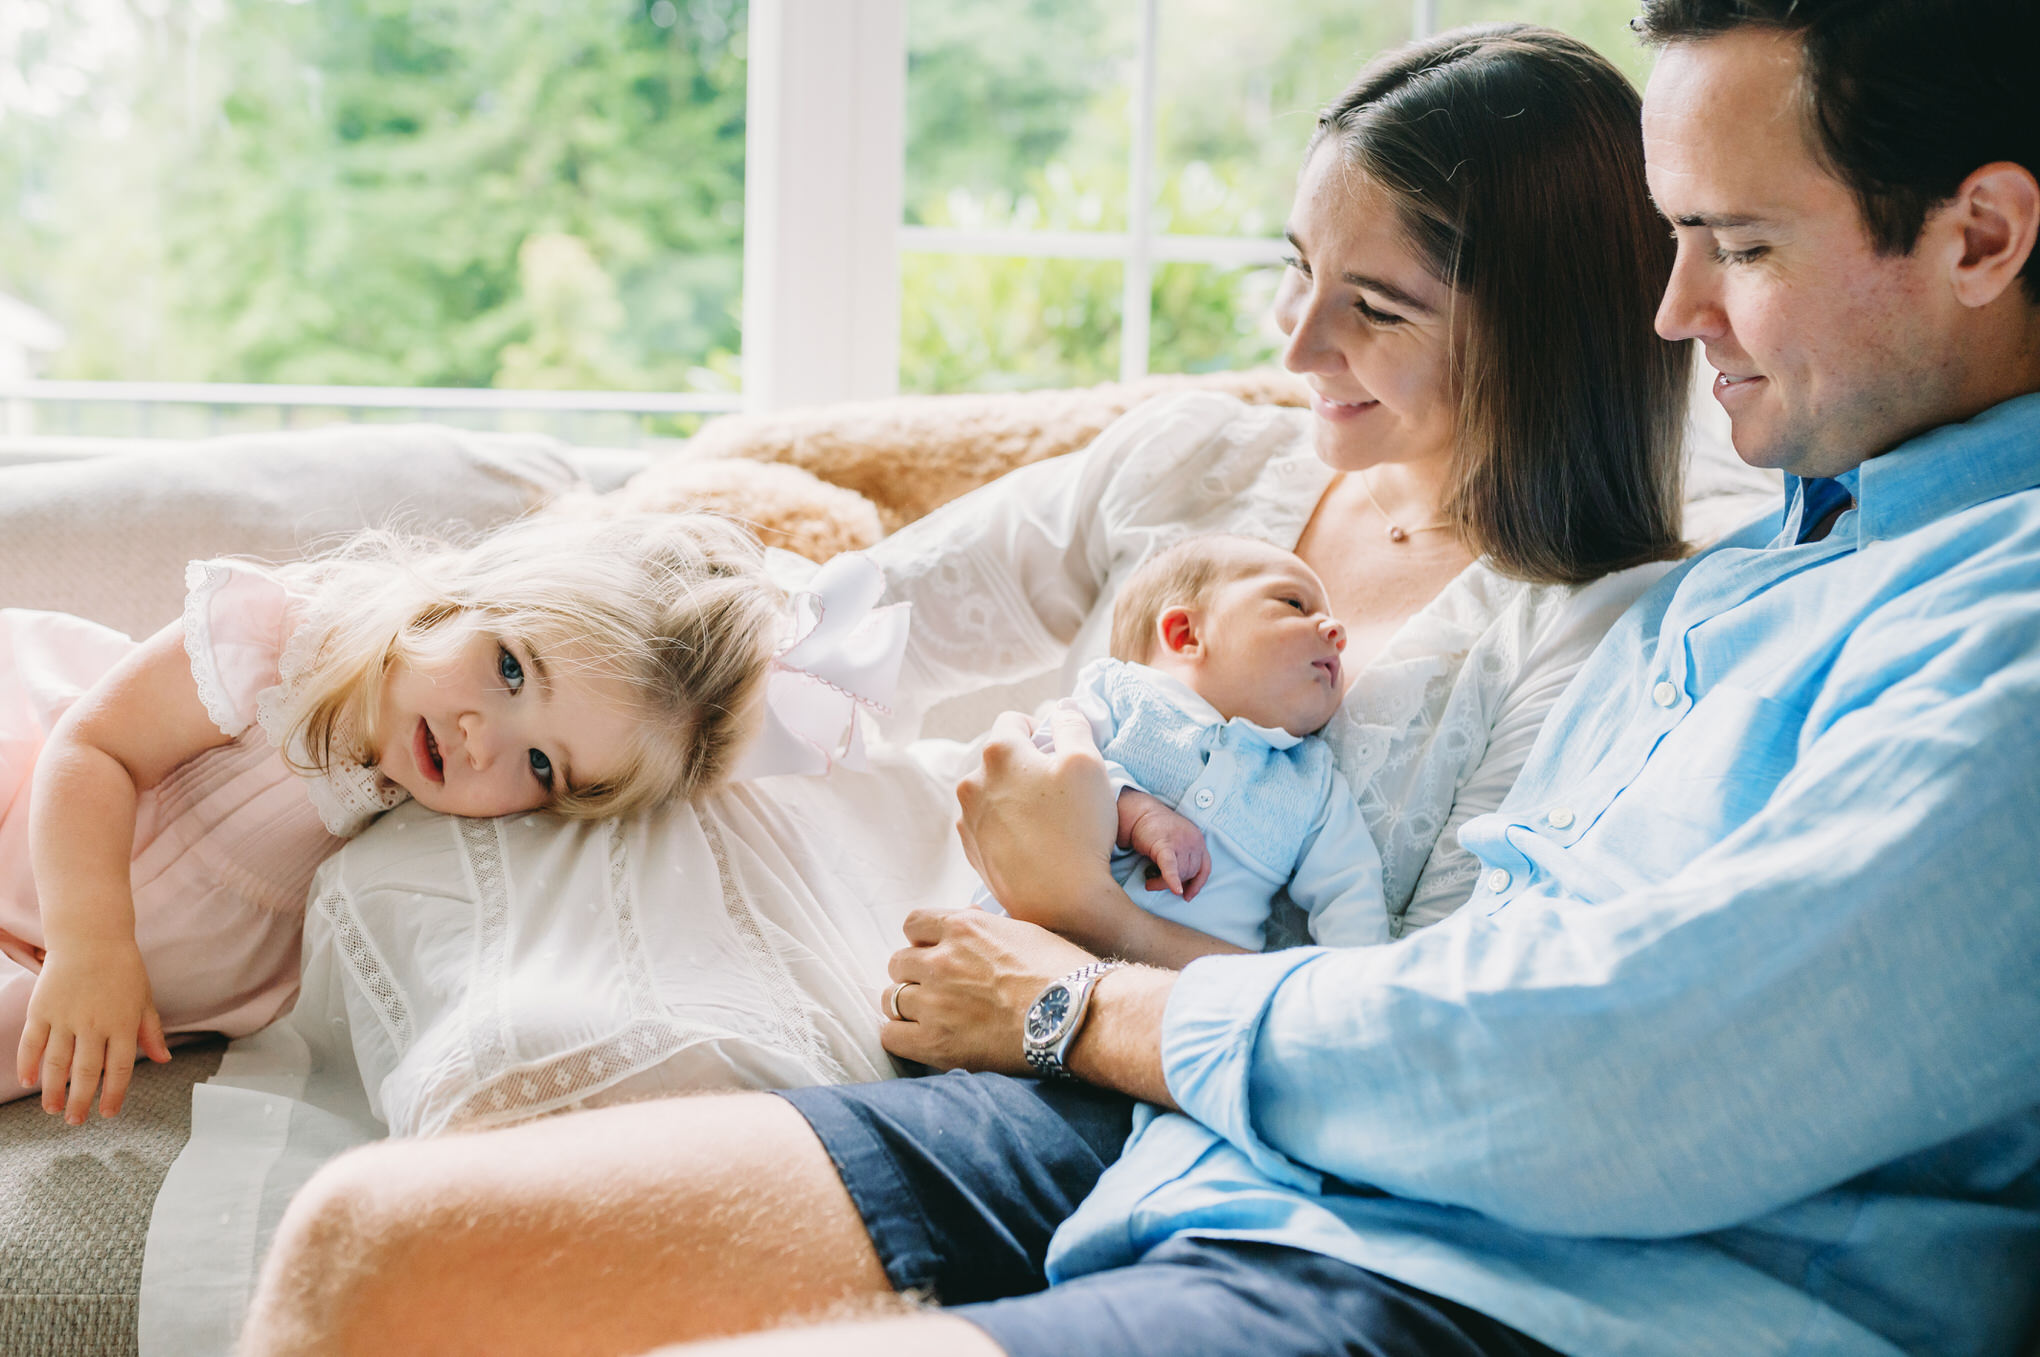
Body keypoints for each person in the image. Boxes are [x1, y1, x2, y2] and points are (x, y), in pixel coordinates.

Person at [232, 22, 1732, 1357]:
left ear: (1544, 329)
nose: (1296, 343)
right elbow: (841, 633)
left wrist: (1079, 929)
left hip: (1157, 1111)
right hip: (964, 1029)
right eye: (1296, 270)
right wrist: (385, 687)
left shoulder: (1598, 633)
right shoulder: (1204, 463)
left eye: (1376, 307)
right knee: (377, 1230)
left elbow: (1413, 1039)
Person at [0, 510, 800, 1120]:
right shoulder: (285, 638)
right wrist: (91, 944)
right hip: (41, 831)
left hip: (115, 978)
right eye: (512, 670)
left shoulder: (442, 822)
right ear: (460, 599)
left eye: (542, 764)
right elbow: (94, 749)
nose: (482, 741)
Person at [965, 533, 1386, 954]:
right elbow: (1033, 773)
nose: (1337, 632)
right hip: (1012, 947)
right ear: (1185, 634)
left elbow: (1351, 890)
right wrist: (1135, 811)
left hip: (1160, 998)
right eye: (1294, 604)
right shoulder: (1121, 693)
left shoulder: (1313, 780)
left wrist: (1358, 984)